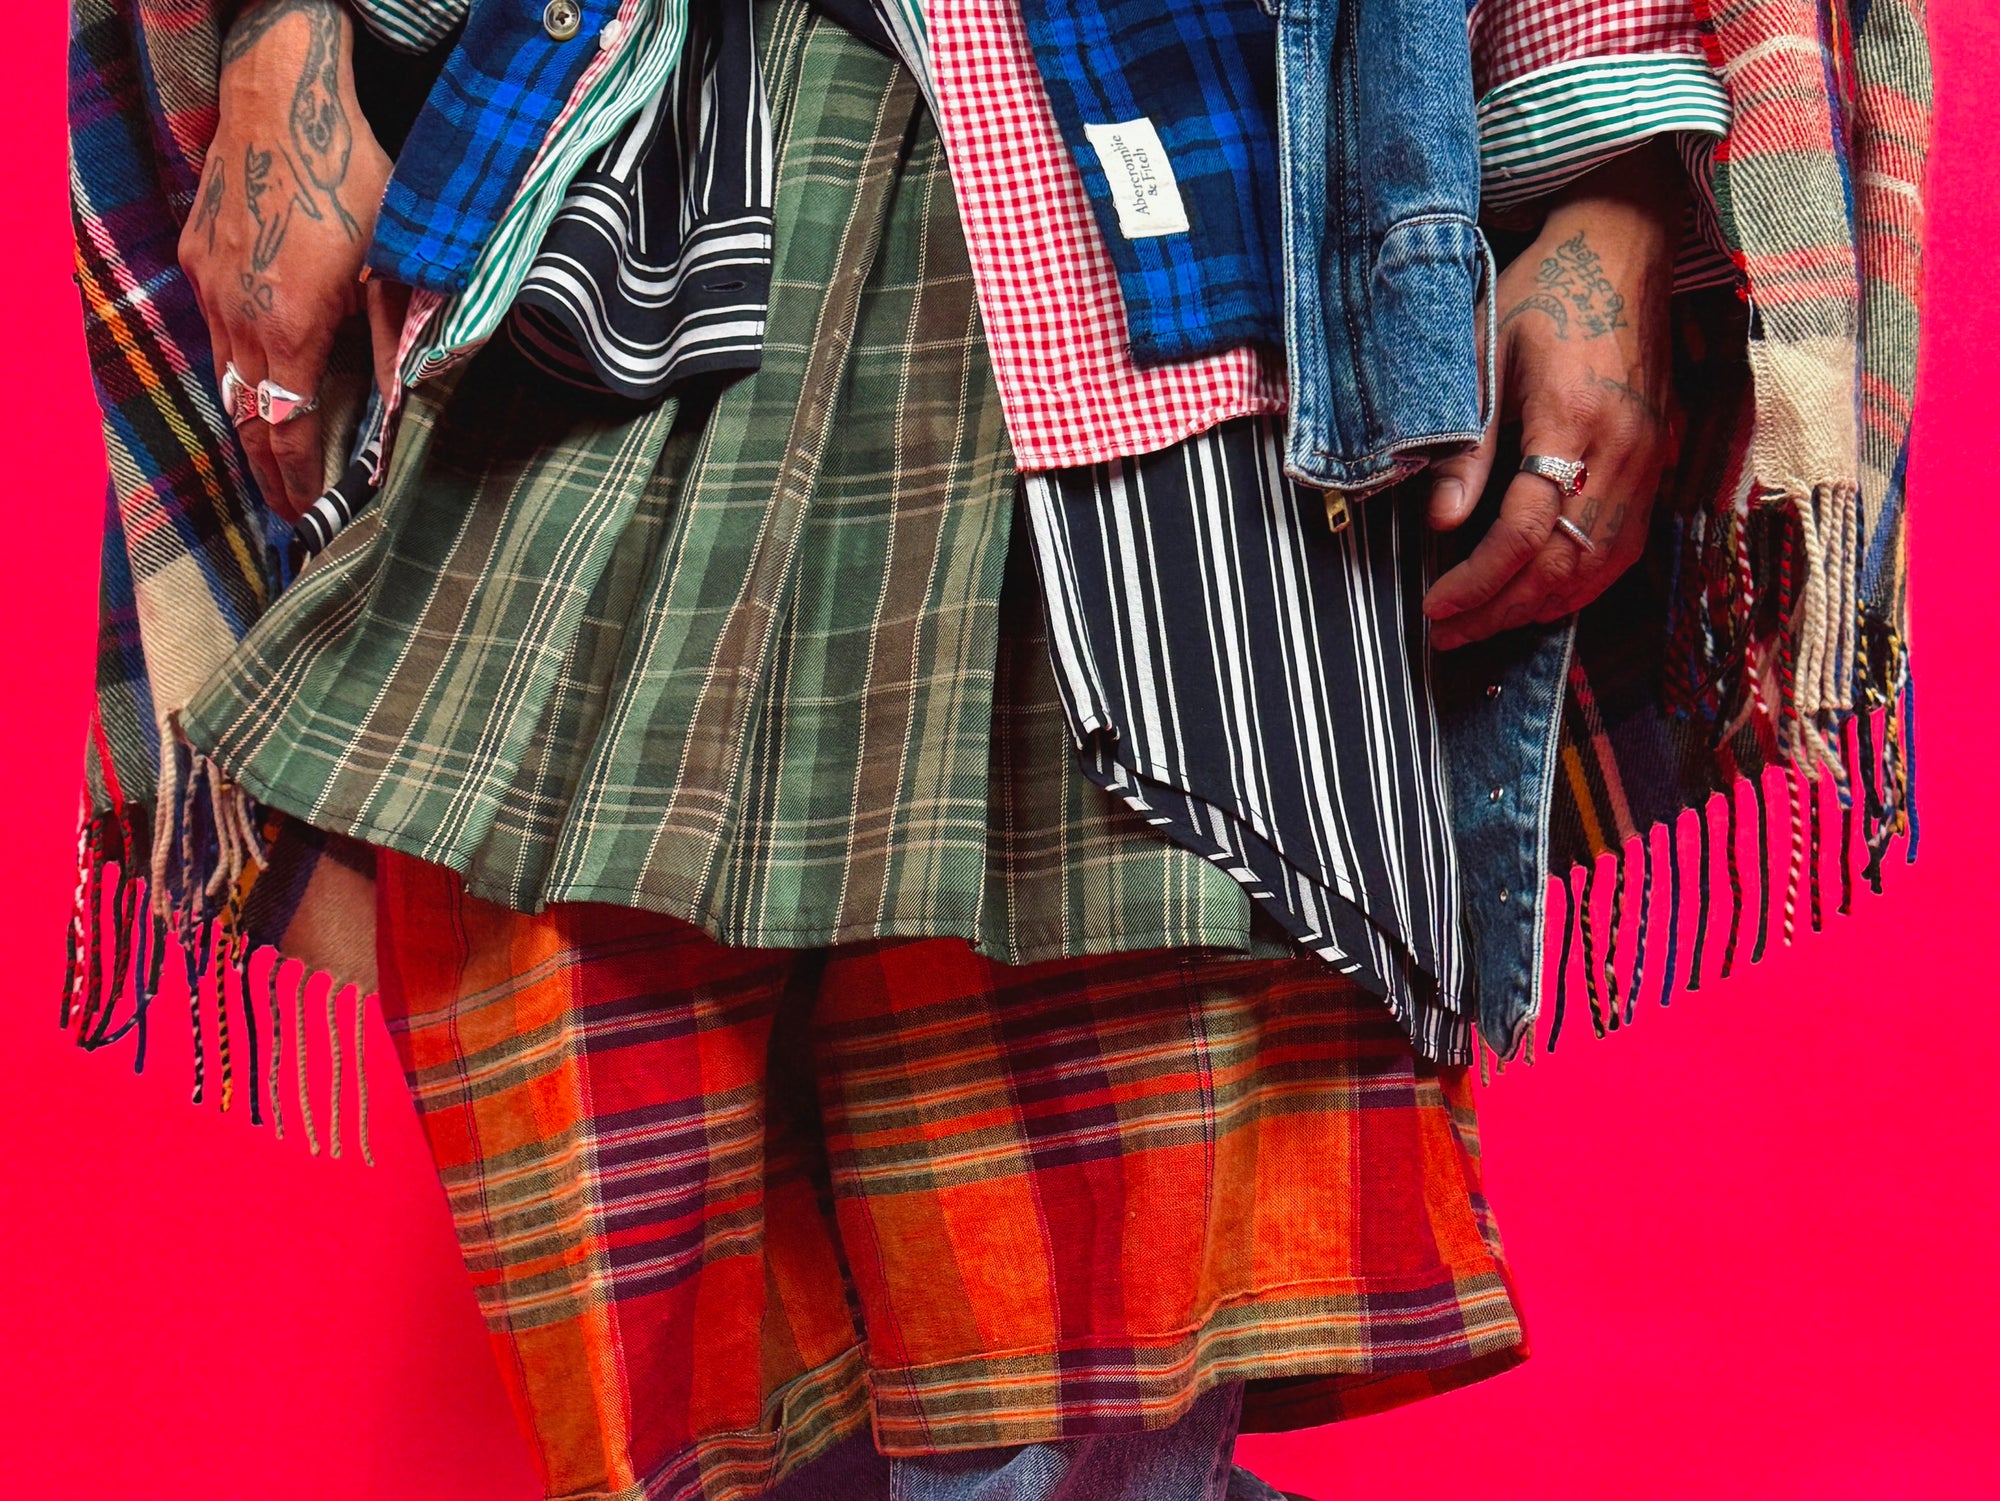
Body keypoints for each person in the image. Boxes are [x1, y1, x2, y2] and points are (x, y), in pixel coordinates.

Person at [61, 0, 1929, 1497]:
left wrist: (1609, 206)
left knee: (1090, 1394)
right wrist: (278, 44)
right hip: (610, 216)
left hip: (1207, 298)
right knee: (654, 1317)